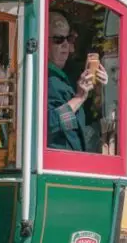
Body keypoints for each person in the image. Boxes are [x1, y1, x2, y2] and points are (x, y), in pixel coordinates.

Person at [46, 11, 107, 151]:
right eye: (58, 39)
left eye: (69, 38)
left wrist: (99, 91)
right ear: (43, 41)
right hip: (56, 162)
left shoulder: (67, 76)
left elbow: (81, 126)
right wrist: (79, 98)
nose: (65, 45)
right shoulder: (41, 78)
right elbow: (47, 125)